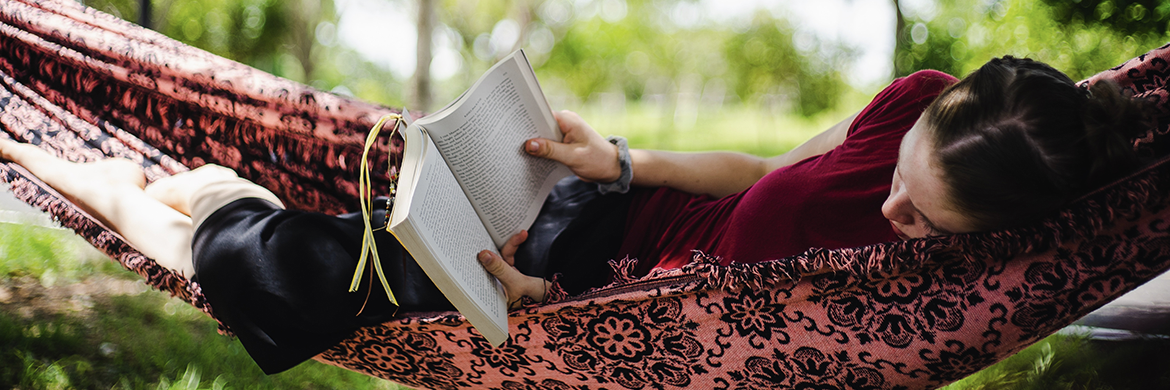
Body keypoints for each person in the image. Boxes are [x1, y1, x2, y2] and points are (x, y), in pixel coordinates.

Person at [0, 56, 1146, 373]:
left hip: (579, 300)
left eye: (923, 220)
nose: (890, 204)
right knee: (342, 225)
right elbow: (765, 171)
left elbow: (698, 343)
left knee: (305, 275)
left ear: (984, 244)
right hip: (588, 220)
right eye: (901, 169)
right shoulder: (916, 103)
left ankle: (111, 178)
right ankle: (183, 191)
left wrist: (546, 304)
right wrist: (626, 156)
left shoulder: (921, 301)